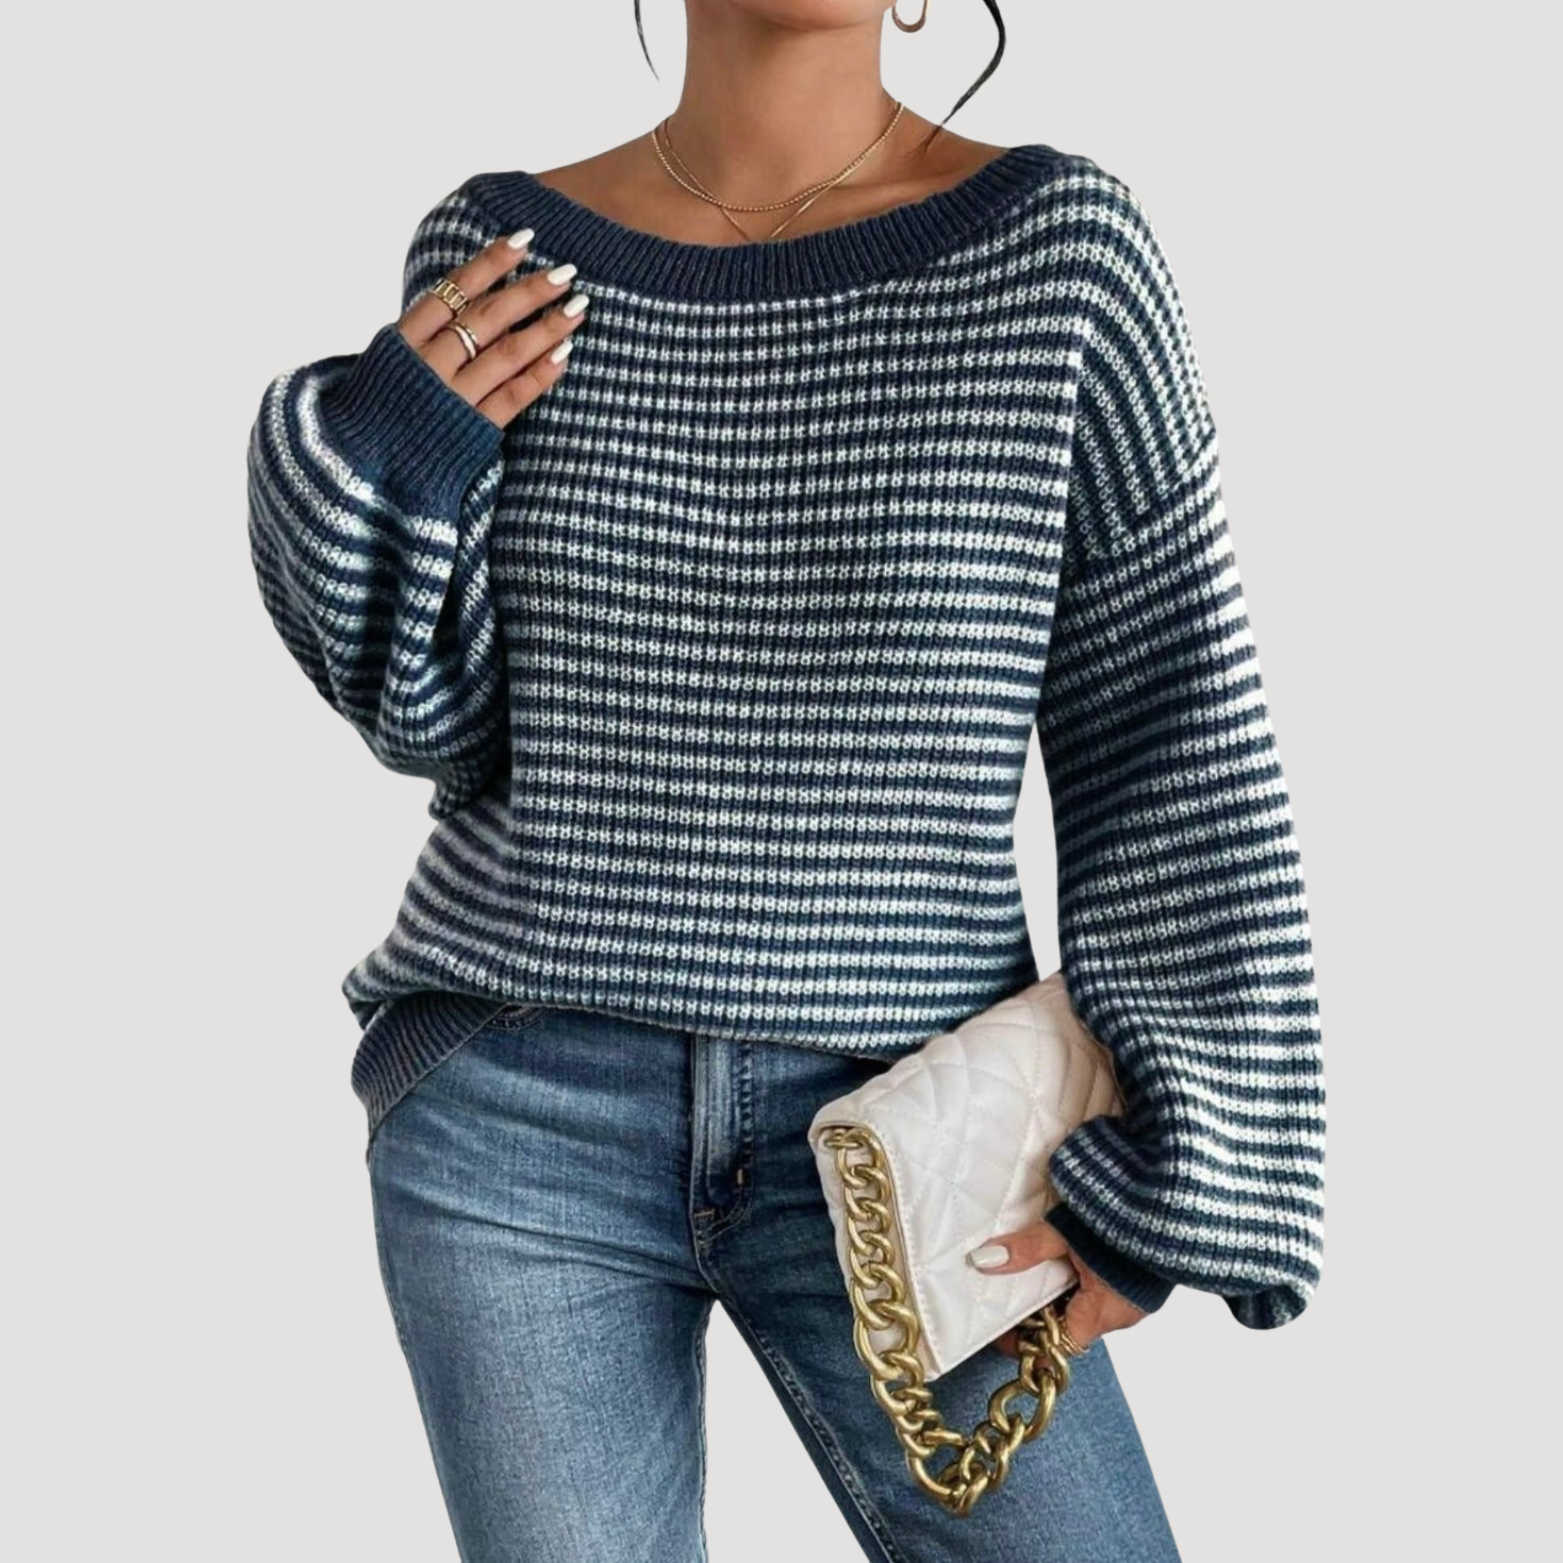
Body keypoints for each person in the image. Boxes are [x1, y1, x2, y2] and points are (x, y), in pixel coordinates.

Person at [245, 2, 1325, 1557]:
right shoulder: (501, 254)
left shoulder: (1059, 256)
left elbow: (1168, 719)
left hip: (918, 1126)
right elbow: (437, 721)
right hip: (515, 1104)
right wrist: (379, 452)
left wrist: (1181, 1153)